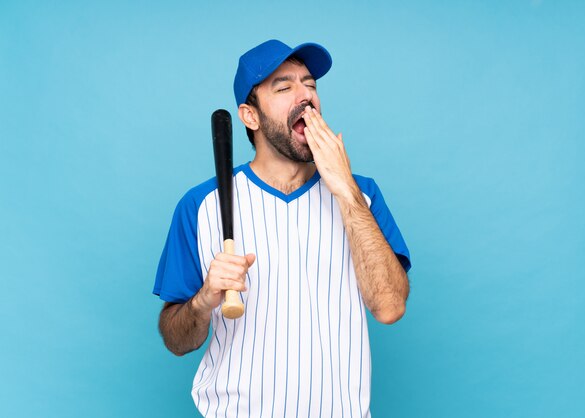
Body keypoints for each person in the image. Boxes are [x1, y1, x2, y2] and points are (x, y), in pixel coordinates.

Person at [153, 39, 411, 418]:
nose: (305, 96)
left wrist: (344, 188)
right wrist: (204, 299)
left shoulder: (363, 196)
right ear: (250, 116)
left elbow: (390, 307)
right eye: (284, 87)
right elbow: (176, 340)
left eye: (310, 84)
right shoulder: (201, 205)